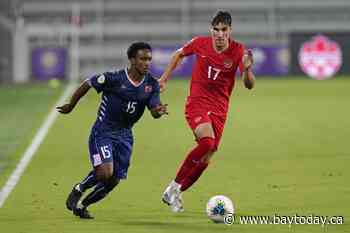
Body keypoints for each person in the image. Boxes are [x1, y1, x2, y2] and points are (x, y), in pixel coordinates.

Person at [57, 42, 168, 219]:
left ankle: (82, 206)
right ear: (132, 60)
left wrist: (158, 111)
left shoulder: (151, 84)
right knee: (105, 173)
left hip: (125, 135)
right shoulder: (114, 78)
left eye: (149, 59)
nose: (147, 63)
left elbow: (154, 110)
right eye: (143, 59)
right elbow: (88, 83)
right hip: (103, 132)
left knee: (114, 180)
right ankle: (80, 188)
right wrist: (71, 105)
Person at [159, 11, 255, 212]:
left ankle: (177, 192)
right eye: (216, 30)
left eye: (224, 30)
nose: (219, 34)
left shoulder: (239, 51)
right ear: (211, 30)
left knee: (207, 156)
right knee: (207, 142)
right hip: (197, 103)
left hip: (220, 108)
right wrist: (164, 78)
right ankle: (173, 187)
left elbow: (249, 85)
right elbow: (178, 54)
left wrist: (247, 70)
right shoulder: (200, 43)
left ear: (230, 31)